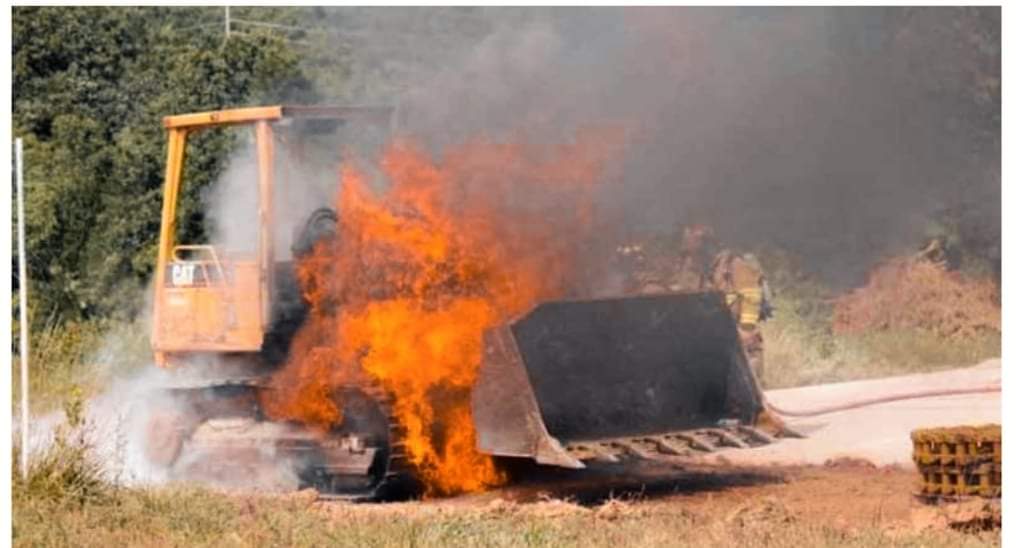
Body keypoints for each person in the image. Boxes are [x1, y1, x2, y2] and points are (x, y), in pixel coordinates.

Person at [709, 250, 772, 380]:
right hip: (726, 336)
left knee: (749, 384)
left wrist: (745, 329)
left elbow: (752, 297)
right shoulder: (715, 264)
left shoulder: (736, 264)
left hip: (743, 338)